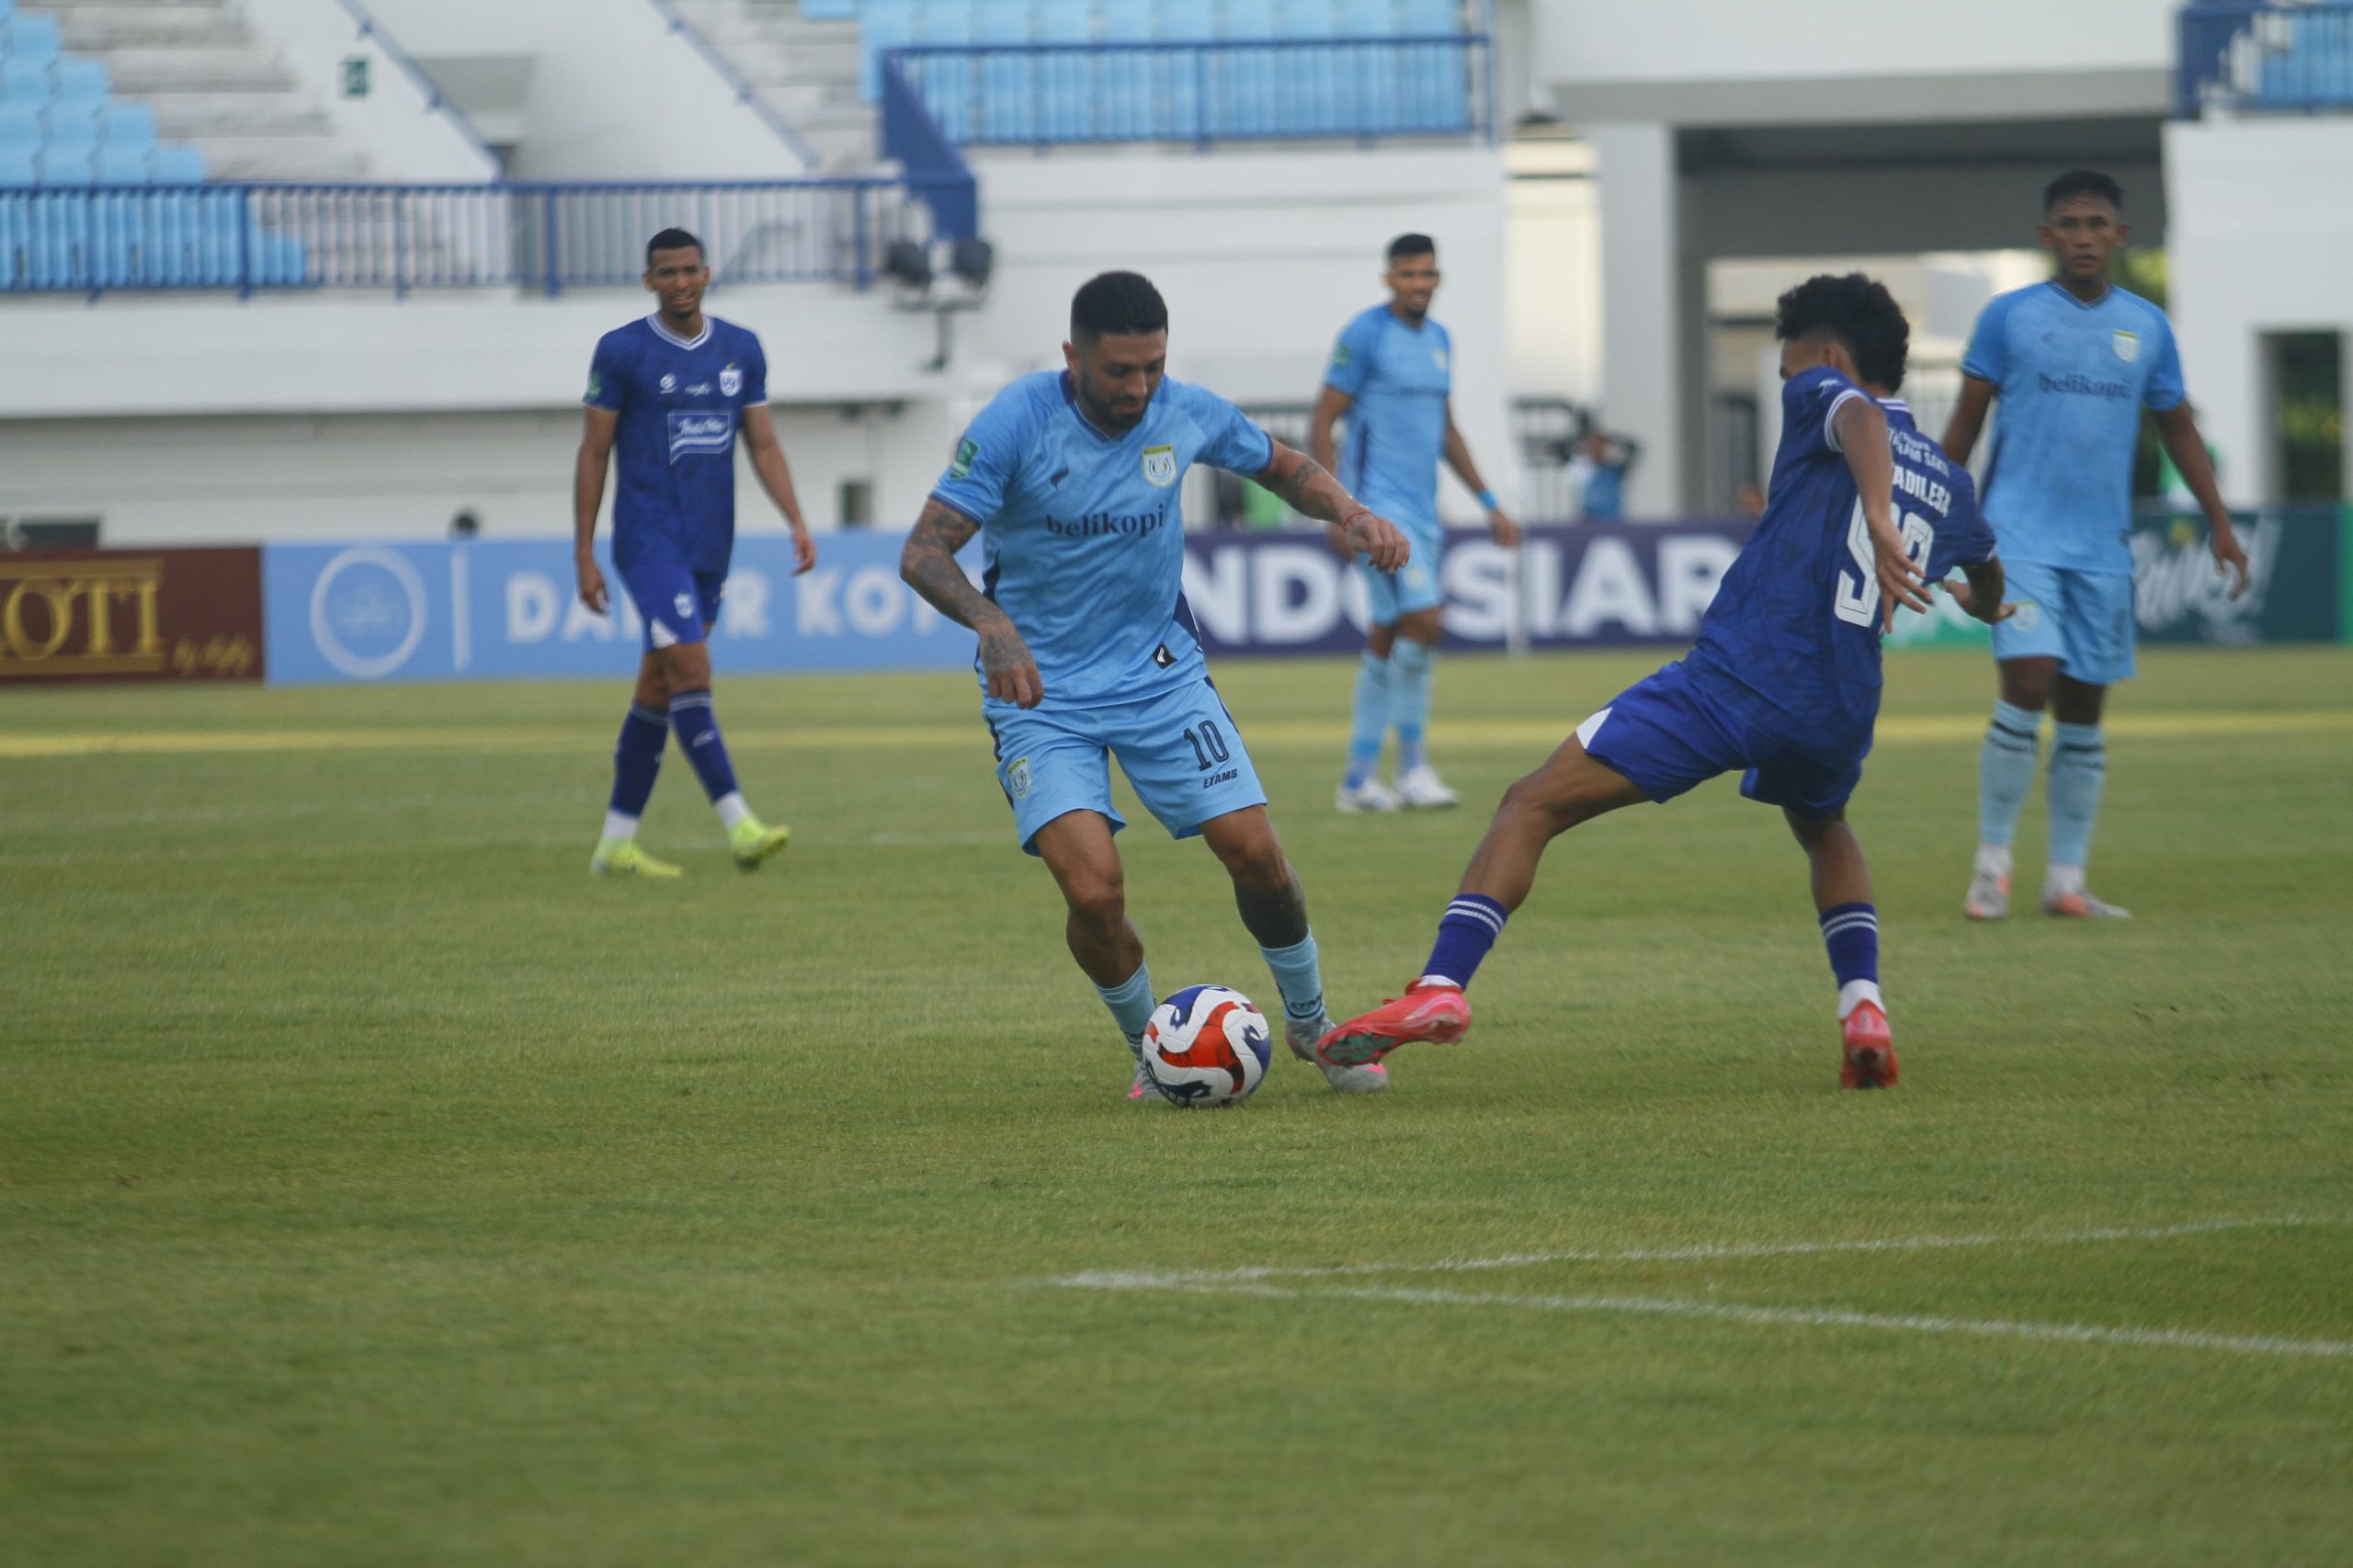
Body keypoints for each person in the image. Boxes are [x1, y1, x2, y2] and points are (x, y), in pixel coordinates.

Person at [1316, 274, 2011, 1090]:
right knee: (1824, 825)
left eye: (1790, 372)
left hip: (1736, 678)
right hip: (1841, 703)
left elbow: (1856, 415)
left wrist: (1882, 515)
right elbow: (1992, 573)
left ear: (1825, 357)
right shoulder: (1950, 479)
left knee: (1529, 802)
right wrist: (1974, 598)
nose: (1791, 387)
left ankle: (1441, 989)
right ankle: (1864, 1006)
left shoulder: (1827, 392)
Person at [899, 271, 1411, 1100]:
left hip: (1159, 676)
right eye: (1118, 373)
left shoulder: (1185, 409)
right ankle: (1157, 1049)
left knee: (1257, 854)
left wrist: (1349, 512)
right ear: (1073, 357)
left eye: (1152, 369)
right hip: (1041, 693)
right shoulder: (1015, 424)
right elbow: (923, 551)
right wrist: (992, 625)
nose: (1139, 389)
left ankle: (1317, 1028)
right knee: (1094, 891)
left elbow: (1282, 468)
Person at [1942, 171, 2248, 922]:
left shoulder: (2146, 327)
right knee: (2029, 682)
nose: (2083, 236)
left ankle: (2066, 881)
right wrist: (1940, 512)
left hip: (2102, 548)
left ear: (2120, 236)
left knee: (2083, 710)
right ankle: (1991, 869)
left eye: (2097, 223)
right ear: (2048, 238)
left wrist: (2219, 522)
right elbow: (1965, 423)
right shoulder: (2008, 319)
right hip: (2017, 537)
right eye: (2070, 224)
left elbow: (2178, 427)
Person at [574, 227, 817, 879]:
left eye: (690, 270)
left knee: (659, 685)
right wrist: (583, 552)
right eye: (667, 272)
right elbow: (594, 451)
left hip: (712, 542)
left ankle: (616, 844)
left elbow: (762, 444)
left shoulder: (741, 349)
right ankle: (740, 824)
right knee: (692, 670)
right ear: (649, 280)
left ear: (707, 273)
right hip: (648, 540)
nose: (680, 282)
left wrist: (795, 517)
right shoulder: (622, 351)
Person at [1312, 233, 1520, 814]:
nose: (1419, 285)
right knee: (1425, 620)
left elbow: (1446, 430)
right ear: (1389, 279)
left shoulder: (1440, 341)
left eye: (1428, 275)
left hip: (1424, 512)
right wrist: (1336, 507)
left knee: (1390, 631)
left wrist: (1489, 501)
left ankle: (1358, 781)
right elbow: (1324, 416)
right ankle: (1412, 768)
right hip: (1378, 513)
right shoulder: (1365, 334)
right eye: (1408, 275)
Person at [1567, 427, 1640, 521]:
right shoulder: (1580, 469)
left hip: (1613, 520)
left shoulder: (1614, 469)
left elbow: (1634, 449)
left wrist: (1612, 439)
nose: (1597, 449)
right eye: (1593, 446)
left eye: (1601, 446)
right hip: (1587, 521)